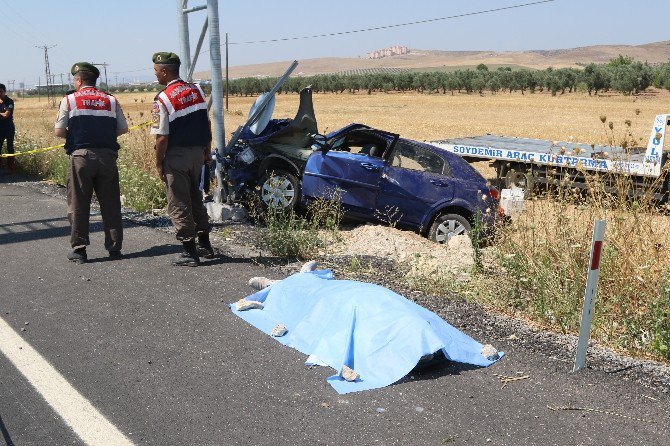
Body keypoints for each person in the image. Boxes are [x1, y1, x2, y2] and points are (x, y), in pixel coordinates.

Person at [54, 62, 128, 263]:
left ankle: (79, 250)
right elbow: (123, 128)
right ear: (95, 80)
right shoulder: (111, 100)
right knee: (110, 203)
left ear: (78, 80)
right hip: (107, 156)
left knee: (79, 203)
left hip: (81, 157)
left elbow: (59, 131)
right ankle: (114, 248)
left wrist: (77, 136)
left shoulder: (69, 100)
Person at [151, 51, 214, 266]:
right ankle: (205, 245)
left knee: (178, 202)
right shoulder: (196, 90)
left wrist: (159, 163)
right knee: (196, 197)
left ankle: (189, 251)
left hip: (176, 156)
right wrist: (207, 150)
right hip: (197, 153)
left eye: (157, 71)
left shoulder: (163, 98)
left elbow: (162, 138)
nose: (156, 75)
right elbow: (205, 123)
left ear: (165, 71)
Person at [0, 83, 15, 174]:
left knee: (10, 147)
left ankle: (10, 168)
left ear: (4, 91)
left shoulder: (10, 102)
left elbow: (6, 115)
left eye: (1, 91)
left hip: (9, 127)